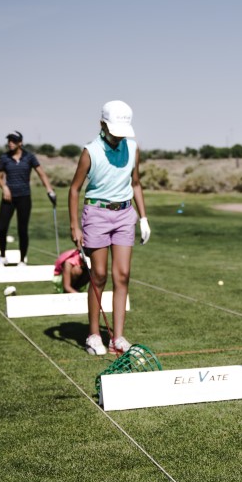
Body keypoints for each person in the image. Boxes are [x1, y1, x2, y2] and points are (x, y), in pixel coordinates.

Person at [68, 101, 150, 356]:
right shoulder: (90, 151)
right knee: (99, 275)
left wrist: (143, 218)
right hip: (97, 214)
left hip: (125, 214)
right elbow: (74, 189)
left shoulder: (133, 148)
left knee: (123, 275)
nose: (118, 136)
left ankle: (118, 337)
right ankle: (94, 335)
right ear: (102, 124)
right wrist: (75, 226)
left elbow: (135, 183)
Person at [0, 131, 56, 266]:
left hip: (24, 197)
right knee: (2, 228)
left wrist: (49, 190)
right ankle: (3, 256)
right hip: (8, 198)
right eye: (9, 140)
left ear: (20, 143)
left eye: (13, 141)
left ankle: (22, 260)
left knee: (22, 229)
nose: (10, 143)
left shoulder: (29, 157)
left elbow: (42, 174)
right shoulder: (4, 158)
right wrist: (4, 187)